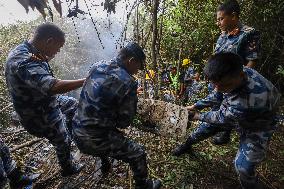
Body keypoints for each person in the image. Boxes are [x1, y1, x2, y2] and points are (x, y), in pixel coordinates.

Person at [172, 52, 280, 189]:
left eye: (223, 85)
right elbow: (217, 93)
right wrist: (196, 105)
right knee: (201, 131)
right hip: (233, 112)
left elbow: (221, 118)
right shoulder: (234, 73)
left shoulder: (251, 98)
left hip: (257, 126)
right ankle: (187, 145)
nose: (219, 88)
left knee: (243, 168)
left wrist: (197, 115)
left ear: (240, 76)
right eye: (215, 84)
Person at [72, 42, 161, 189]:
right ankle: (144, 185)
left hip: (76, 131)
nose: (138, 70)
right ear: (131, 60)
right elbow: (123, 123)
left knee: (105, 128)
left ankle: (105, 162)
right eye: (138, 65)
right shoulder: (128, 82)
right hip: (93, 140)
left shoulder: (97, 65)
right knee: (138, 153)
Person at [5, 23, 85, 177]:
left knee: (73, 105)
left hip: (44, 100)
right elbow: (52, 87)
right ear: (49, 41)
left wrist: (43, 60)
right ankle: (67, 168)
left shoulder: (29, 50)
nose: (58, 51)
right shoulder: (23, 60)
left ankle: (72, 134)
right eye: (58, 47)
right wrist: (86, 80)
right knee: (62, 140)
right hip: (37, 113)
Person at [210, 0, 261, 145]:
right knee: (217, 104)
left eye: (220, 19)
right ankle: (218, 128)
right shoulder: (223, 34)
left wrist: (240, 81)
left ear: (233, 16)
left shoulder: (249, 33)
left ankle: (226, 133)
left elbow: (252, 60)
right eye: (217, 20)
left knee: (231, 107)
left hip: (233, 81)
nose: (218, 23)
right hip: (218, 79)